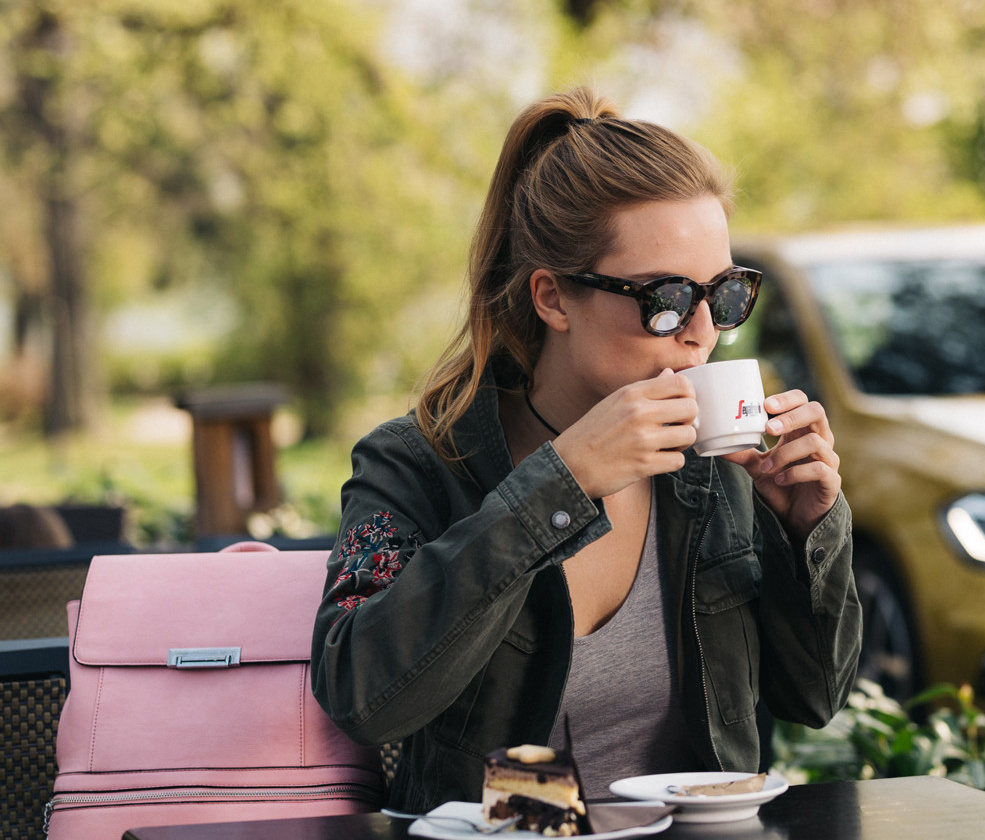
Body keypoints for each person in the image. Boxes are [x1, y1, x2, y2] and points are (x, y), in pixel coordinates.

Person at [310, 87, 862, 813]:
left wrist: (807, 534)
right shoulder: (418, 463)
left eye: (723, 294)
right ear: (553, 299)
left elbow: (814, 698)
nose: (702, 331)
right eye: (664, 297)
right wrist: (557, 489)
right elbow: (360, 694)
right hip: (510, 839)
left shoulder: (716, 468)